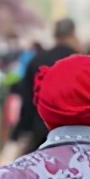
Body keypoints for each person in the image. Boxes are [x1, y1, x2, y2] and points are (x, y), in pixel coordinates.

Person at [11, 19, 81, 154]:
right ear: (73, 34)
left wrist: (20, 130)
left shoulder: (38, 59)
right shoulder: (80, 59)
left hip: (40, 129)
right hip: (73, 132)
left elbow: (28, 98)